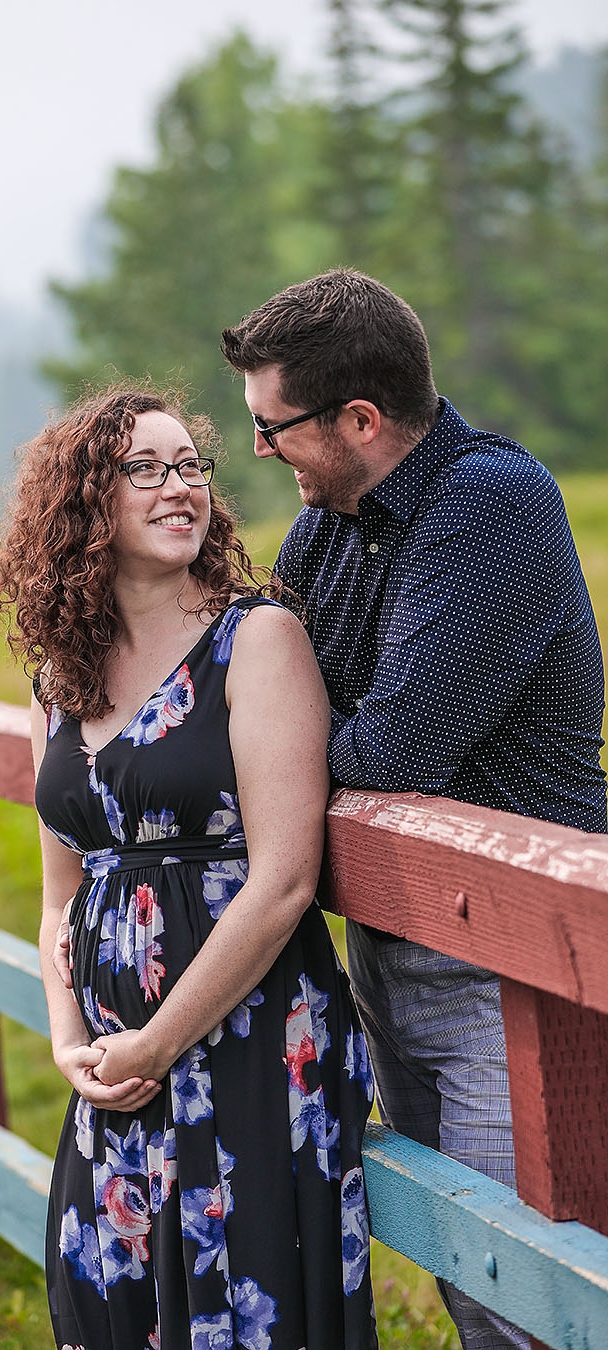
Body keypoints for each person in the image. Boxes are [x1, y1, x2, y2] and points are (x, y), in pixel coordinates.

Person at [220, 268, 608, 1350]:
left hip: (522, 962)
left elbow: (393, 749)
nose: (260, 452)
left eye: (273, 426)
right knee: (461, 1262)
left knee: (529, 1284)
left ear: (361, 418)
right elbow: (257, 706)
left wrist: (289, 749)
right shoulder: (328, 532)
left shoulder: (490, 503)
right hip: (400, 944)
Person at [0, 387, 378, 1350]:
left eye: (191, 466)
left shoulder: (258, 641)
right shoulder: (59, 674)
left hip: (245, 1041)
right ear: (86, 503)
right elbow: (60, 897)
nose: (180, 488)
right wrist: (69, 1041)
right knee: (111, 1303)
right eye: (146, 469)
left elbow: (286, 878)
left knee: (246, 1312)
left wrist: (161, 1043)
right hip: (114, 1064)